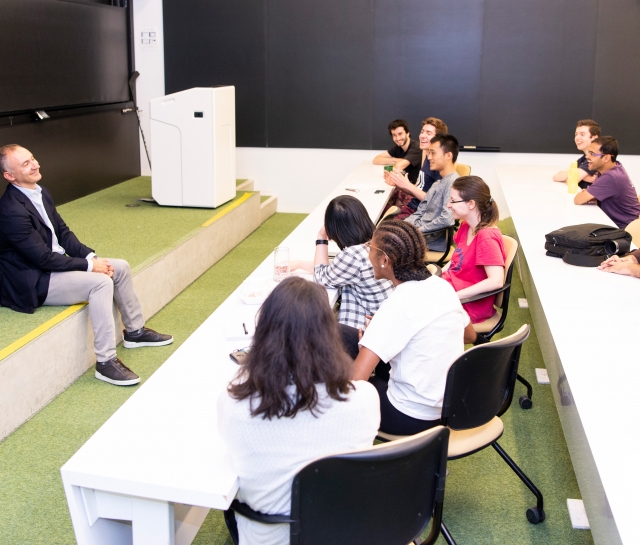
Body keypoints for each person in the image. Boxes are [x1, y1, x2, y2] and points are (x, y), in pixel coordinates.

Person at [219, 276, 380, 545]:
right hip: (345, 533)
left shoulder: (236, 404)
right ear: (331, 334)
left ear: (264, 332)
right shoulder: (364, 399)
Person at [0, 144, 173, 386]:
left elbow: (63, 233)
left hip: (54, 265)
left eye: (33, 158)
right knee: (100, 283)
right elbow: (43, 259)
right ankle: (105, 362)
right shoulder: (11, 211)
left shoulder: (40, 192)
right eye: (25, 164)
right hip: (36, 279)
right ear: (9, 176)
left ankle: (135, 332)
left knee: (120, 266)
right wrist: (90, 268)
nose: (35, 164)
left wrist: (92, 258)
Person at [350, 220, 471, 436]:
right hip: (446, 405)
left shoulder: (396, 305)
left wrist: (364, 349)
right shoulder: (441, 286)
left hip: (410, 416)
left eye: (370, 247)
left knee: (341, 387)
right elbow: (470, 335)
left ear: (385, 260)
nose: (368, 253)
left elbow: (356, 379)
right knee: (343, 334)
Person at [290, 195, 394, 329]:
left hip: (367, 330)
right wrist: (298, 264)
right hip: (386, 319)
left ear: (334, 228)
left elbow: (321, 278)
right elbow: (333, 270)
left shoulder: (353, 255)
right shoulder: (375, 242)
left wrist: (321, 238)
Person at [442, 176, 506, 327]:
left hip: (470, 302)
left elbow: (496, 281)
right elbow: (455, 261)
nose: (448, 205)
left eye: (452, 200)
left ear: (471, 204)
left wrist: (454, 296)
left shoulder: (486, 236)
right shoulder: (466, 226)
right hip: (453, 290)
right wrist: (436, 277)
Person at [403, 134, 459, 252]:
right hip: (417, 236)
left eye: (433, 153)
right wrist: (405, 226)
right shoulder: (437, 183)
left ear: (448, 155)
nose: (429, 157)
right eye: (429, 153)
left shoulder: (454, 183)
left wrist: (416, 231)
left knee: (383, 246)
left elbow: (446, 219)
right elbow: (421, 211)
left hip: (429, 242)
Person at [384, 117, 448, 219]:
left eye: (428, 133)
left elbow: (435, 202)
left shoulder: (440, 164)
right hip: (413, 206)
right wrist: (399, 184)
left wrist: (408, 186)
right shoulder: (425, 153)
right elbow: (418, 188)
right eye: (422, 132)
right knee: (379, 212)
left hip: (421, 213)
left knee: (381, 224)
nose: (422, 136)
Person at [573, 136, 640, 228]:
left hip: (623, 230)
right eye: (588, 152)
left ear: (606, 158)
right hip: (615, 223)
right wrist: (592, 195)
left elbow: (578, 199)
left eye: (592, 153)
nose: (587, 156)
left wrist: (589, 194)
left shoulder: (611, 177)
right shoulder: (614, 167)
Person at [553, 119, 601, 187]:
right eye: (576, 134)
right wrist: (582, 177)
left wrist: (575, 175)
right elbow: (556, 177)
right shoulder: (585, 157)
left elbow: (571, 181)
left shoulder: (596, 157)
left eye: (582, 134)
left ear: (594, 138)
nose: (577, 137)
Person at [372, 119, 422, 183]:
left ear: (408, 133)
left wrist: (397, 162)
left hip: (416, 188)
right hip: (405, 185)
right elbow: (376, 160)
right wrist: (395, 159)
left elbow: (398, 166)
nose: (398, 138)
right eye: (394, 135)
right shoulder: (399, 147)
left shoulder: (416, 148)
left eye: (400, 134)